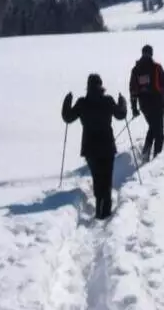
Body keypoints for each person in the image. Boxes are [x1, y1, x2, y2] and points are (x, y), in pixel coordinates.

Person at [62, 73, 127, 220]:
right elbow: (121, 115)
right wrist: (122, 101)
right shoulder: (108, 100)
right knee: (107, 179)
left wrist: (67, 101)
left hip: (90, 148)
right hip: (107, 146)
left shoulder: (82, 103)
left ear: (88, 86)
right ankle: (106, 211)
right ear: (101, 85)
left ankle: (99, 209)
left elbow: (68, 117)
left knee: (98, 178)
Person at [129, 44, 164, 163]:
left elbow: (133, 90)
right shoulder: (156, 67)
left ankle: (145, 154)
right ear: (151, 53)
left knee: (153, 128)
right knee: (159, 134)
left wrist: (134, 108)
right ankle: (156, 160)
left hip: (144, 105)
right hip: (157, 103)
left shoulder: (136, 69)